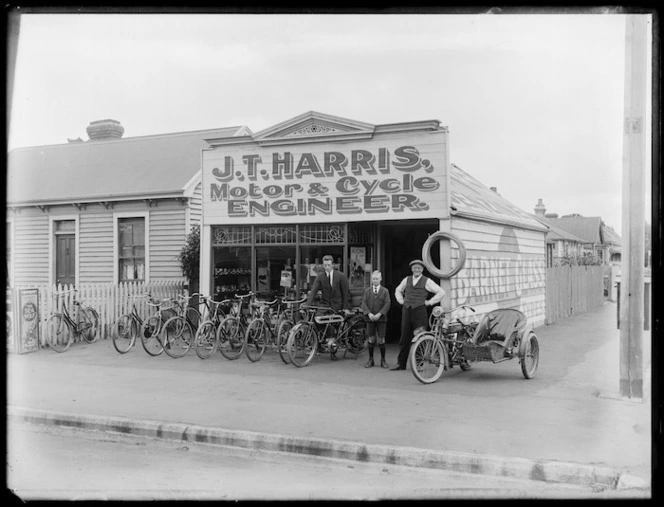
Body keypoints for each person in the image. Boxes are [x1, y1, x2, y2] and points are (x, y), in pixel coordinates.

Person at [391, 259, 445, 371]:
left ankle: (418, 364)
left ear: (422, 270)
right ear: (412, 269)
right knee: (404, 337)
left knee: (420, 337)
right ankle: (401, 364)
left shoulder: (427, 281)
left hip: (420, 312)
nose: (417, 269)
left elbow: (441, 292)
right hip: (407, 311)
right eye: (415, 268)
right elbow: (398, 290)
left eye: (419, 268)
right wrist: (401, 300)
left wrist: (429, 302)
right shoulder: (407, 279)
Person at [306, 254, 351, 360]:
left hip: (336, 305)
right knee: (316, 319)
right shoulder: (320, 277)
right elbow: (313, 291)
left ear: (333, 265)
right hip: (325, 305)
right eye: (325, 265)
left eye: (329, 265)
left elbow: (345, 293)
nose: (327, 267)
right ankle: (321, 343)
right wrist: (307, 305)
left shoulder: (340, 276)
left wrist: (345, 307)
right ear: (323, 265)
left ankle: (333, 348)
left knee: (331, 323)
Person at [361, 270, 391, 368]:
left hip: (381, 319)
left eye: (377, 278)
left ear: (380, 279)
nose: (375, 280)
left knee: (381, 339)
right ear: (371, 279)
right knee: (371, 338)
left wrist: (380, 314)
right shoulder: (367, 291)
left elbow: (387, 303)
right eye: (373, 279)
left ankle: (383, 360)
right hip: (370, 318)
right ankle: (371, 360)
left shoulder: (385, 291)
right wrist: (369, 314)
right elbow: (364, 303)